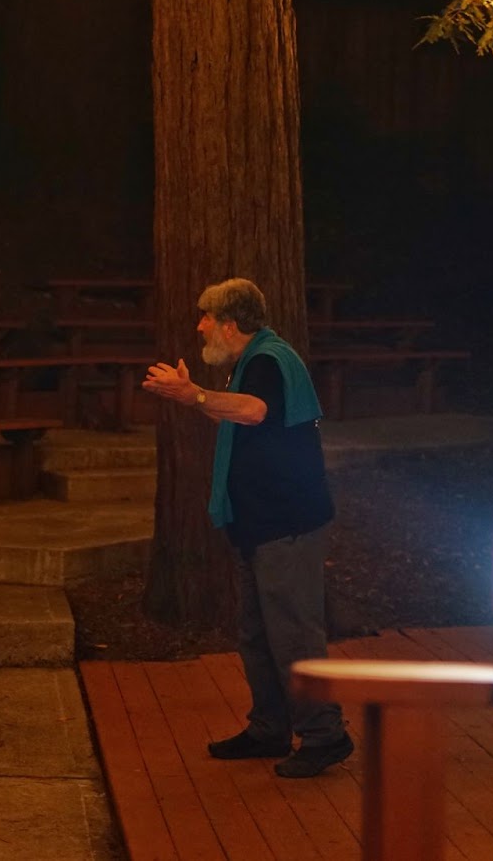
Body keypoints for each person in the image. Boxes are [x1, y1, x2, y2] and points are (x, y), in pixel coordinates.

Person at [141, 278, 352, 778]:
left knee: (294, 633)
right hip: (261, 521)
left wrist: (192, 394)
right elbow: (242, 414)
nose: (199, 325)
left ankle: (326, 735)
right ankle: (269, 728)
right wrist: (194, 396)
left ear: (230, 323)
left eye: (206, 317)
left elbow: (255, 412)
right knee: (258, 634)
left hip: (287, 521)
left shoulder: (267, 361)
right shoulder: (251, 363)